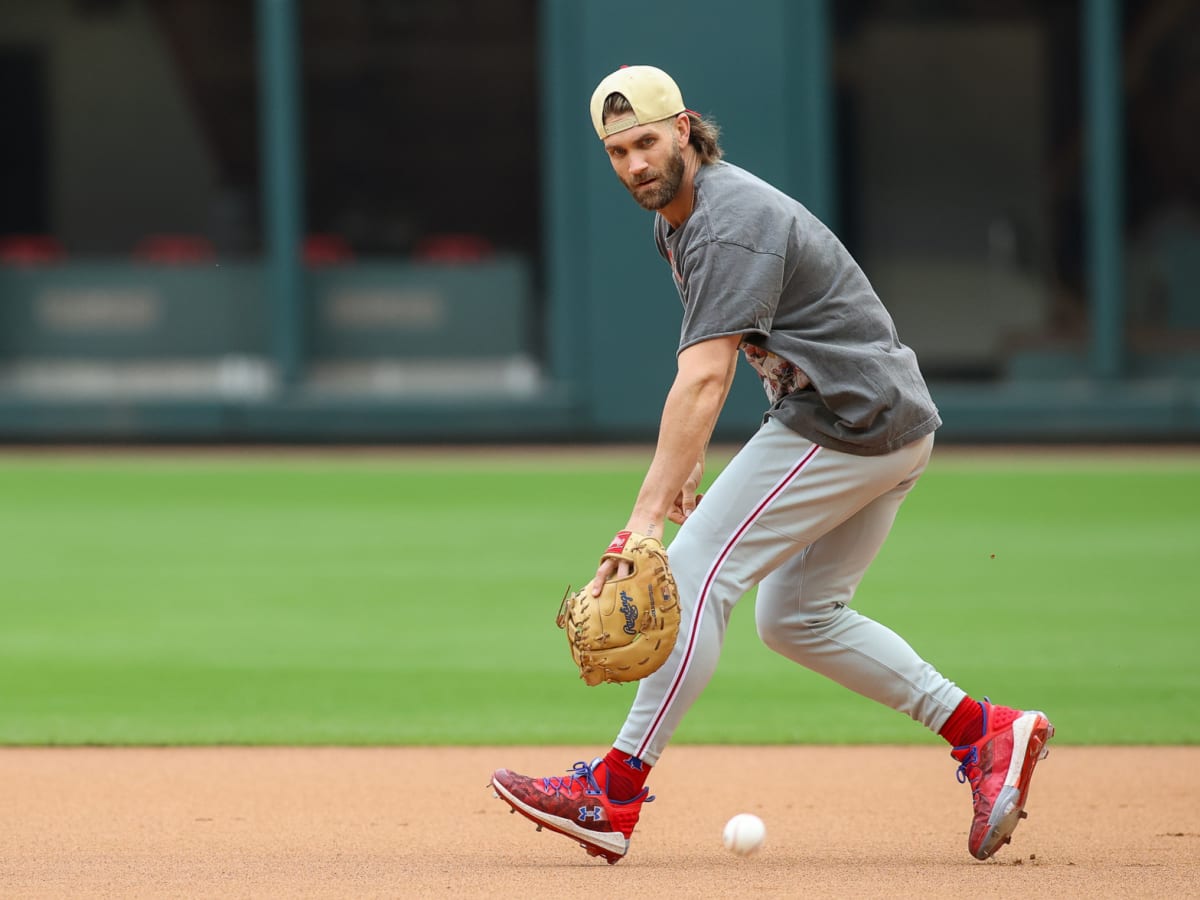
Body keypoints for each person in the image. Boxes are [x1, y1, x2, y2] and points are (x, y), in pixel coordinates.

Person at [490, 65, 1053, 864]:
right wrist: (686, 465)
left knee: (689, 575)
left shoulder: (727, 219)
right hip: (875, 418)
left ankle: (611, 795)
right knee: (796, 616)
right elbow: (723, 356)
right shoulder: (680, 219)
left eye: (646, 142)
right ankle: (986, 731)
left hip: (849, 422)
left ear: (684, 128)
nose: (634, 165)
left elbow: (707, 374)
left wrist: (643, 521)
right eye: (617, 152)